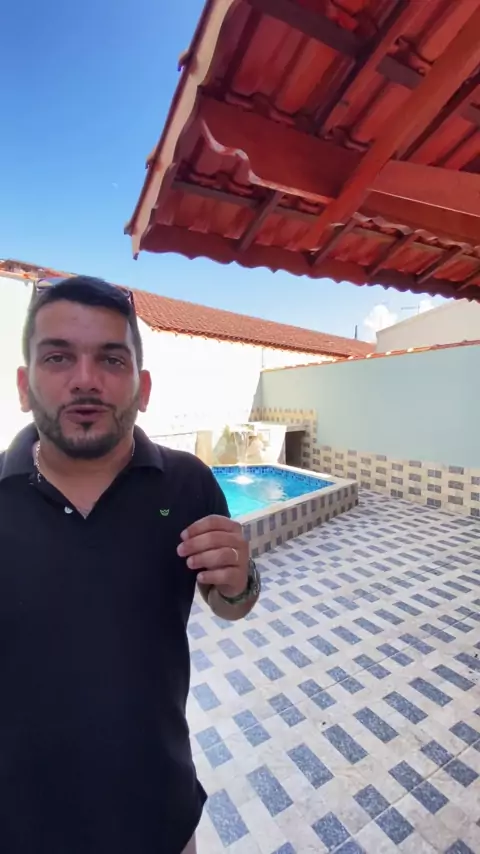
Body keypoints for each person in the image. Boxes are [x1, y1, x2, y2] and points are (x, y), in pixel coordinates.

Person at [0, 276, 260, 854]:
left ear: (142, 388)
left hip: (159, 813)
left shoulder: (188, 483)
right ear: (24, 384)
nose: (85, 379)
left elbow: (230, 603)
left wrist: (241, 583)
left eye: (111, 359)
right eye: (58, 357)